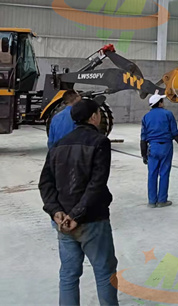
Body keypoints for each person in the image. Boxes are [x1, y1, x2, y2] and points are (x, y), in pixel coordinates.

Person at [39, 98, 118, 306]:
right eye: (98, 113)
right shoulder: (100, 142)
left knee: (68, 274)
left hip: (64, 221)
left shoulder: (58, 145)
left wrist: (56, 211)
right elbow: (96, 184)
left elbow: (45, 183)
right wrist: (77, 214)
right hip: (92, 220)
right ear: (93, 117)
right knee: (105, 271)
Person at [141, 93, 178, 208]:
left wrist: (144, 155)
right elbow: (175, 133)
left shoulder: (146, 117)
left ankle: (152, 201)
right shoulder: (168, 114)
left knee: (152, 174)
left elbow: (143, 138)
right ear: (160, 103)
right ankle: (162, 200)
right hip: (166, 147)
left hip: (152, 148)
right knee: (164, 173)